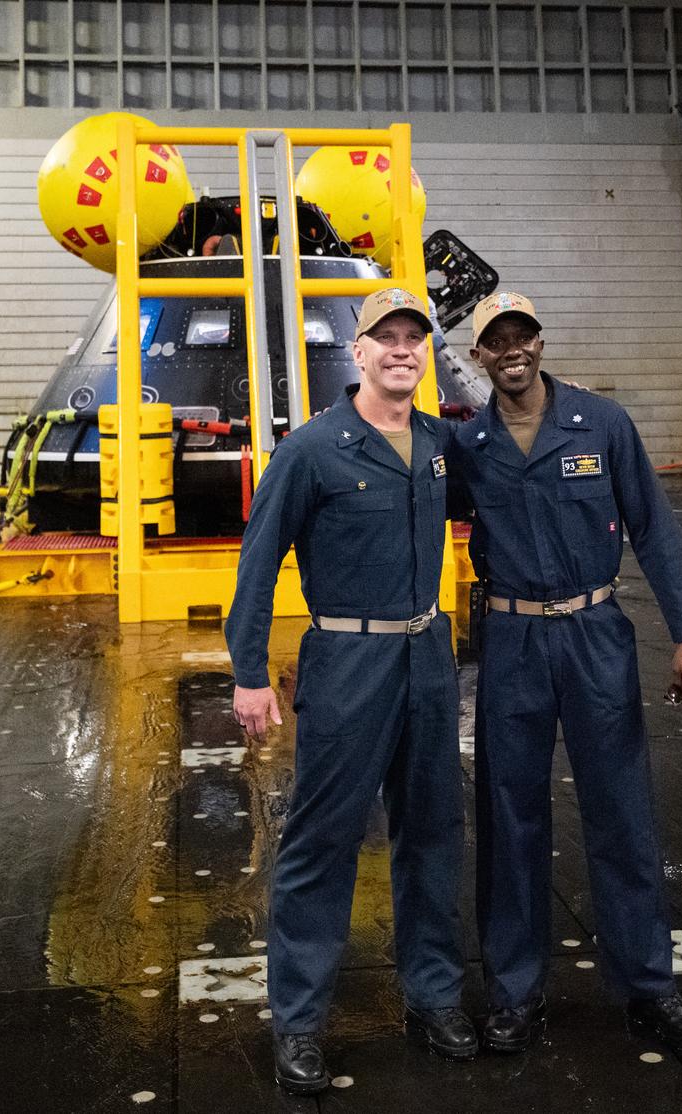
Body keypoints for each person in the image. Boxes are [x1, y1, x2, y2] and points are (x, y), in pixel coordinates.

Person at [450, 291, 682, 1054]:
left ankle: (648, 989)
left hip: (596, 633)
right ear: (480, 357)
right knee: (509, 819)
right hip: (512, 639)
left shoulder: (602, 424)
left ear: (539, 342)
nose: (511, 350)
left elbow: (654, 529)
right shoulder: (470, 447)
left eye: (521, 336)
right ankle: (513, 993)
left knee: (623, 814)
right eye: (495, 341)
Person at [225, 288, 477, 1095]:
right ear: (358, 353)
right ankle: (298, 1022)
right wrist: (249, 673)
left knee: (433, 835)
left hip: (428, 657)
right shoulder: (313, 450)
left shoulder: (439, 443)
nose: (402, 350)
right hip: (346, 663)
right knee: (321, 843)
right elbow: (257, 563)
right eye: (386, 339)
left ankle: (433, 996)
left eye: (415, 339)